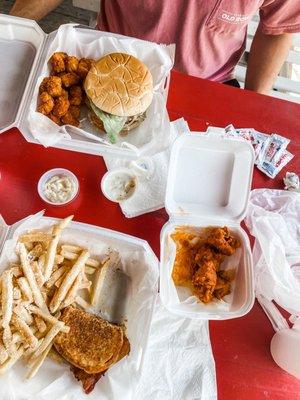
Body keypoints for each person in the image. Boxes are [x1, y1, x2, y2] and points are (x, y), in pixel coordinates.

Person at [9, 0, 300, 94]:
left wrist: (251, 106)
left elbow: (278, 28)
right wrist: (6, 32)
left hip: (209, 87)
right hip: (108, 70)